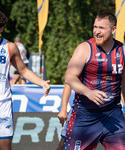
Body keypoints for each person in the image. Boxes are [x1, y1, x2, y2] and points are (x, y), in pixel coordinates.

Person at [64, 12, 125, 150]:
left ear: (113, 30)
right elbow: (69, 77)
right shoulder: (84, 48)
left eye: (101, 28)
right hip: (85, 115)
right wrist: (88, 92)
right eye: (95, 27)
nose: (97, 32)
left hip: (113, 114)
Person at [0, 11, 51, 150]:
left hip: (2, 105)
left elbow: (23, 70)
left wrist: (42, 83)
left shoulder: (10, 47)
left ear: (2, 28)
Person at [56, 84, 72, 150]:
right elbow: (69, 83)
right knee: (63, 145)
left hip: (105, 113)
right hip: (80, 110)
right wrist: (63, 110)